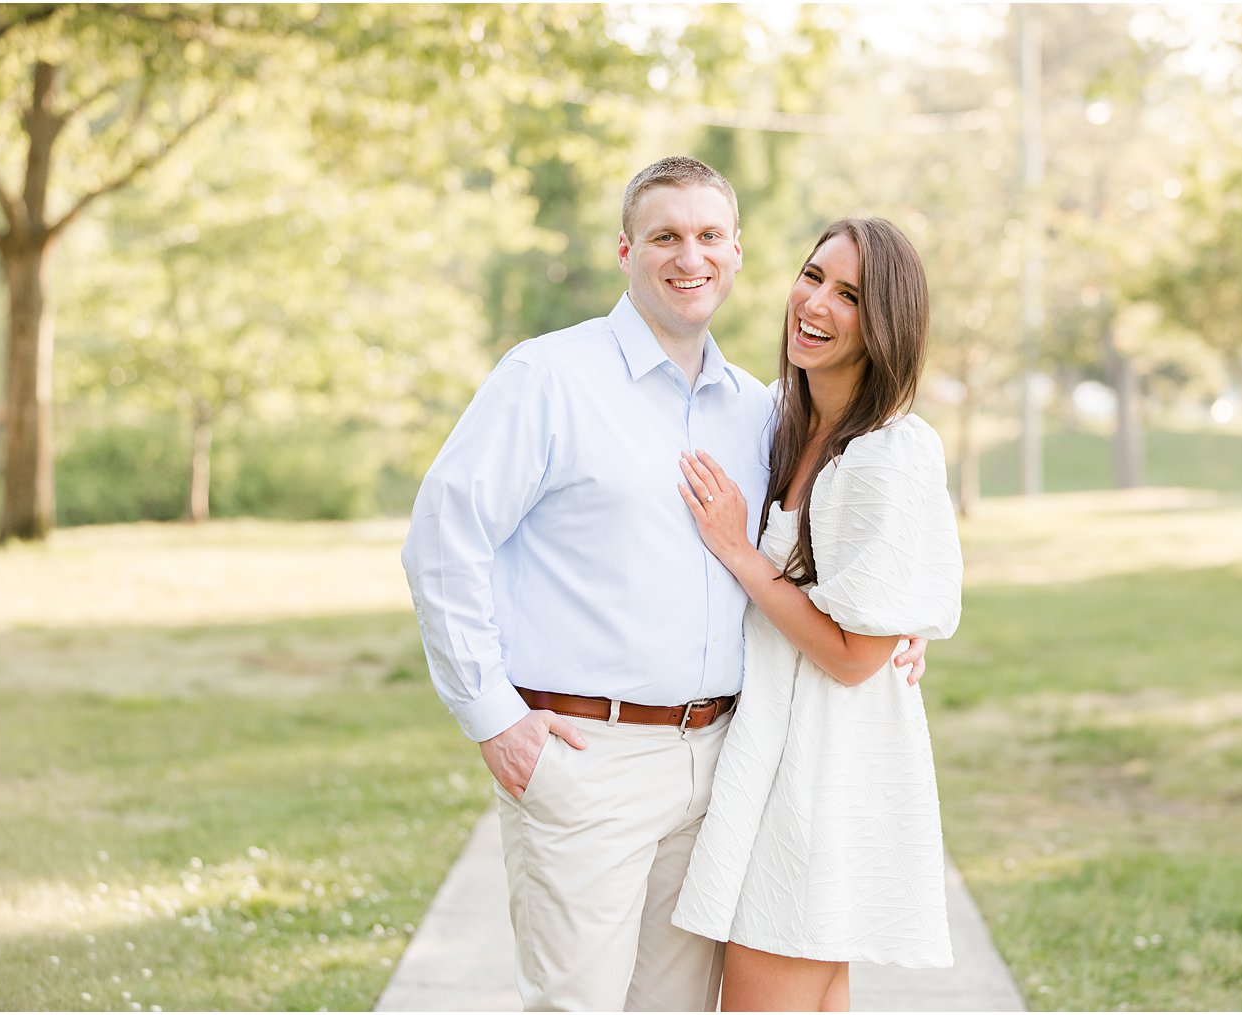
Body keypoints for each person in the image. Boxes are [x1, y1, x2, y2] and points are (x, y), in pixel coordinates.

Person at [403, 158, 928, 1012]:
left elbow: (830, 540)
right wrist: (493, 716)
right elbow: (441, 541)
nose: (691, 257)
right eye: (666, 236)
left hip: (720, 764)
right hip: (585, 760)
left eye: (710, 235)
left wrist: (903, 624)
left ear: (737, 251)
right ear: (625, 250)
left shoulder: (757, 410)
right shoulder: (549, 379)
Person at [670, 218, 963, 1012]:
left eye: (850, 295)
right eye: (812, 275)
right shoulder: (784, 422)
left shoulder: (885, 453)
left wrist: (741, 550)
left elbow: (853, 654)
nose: (816, 303)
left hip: (822, 779)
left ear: (886, 324)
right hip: (782, 761)